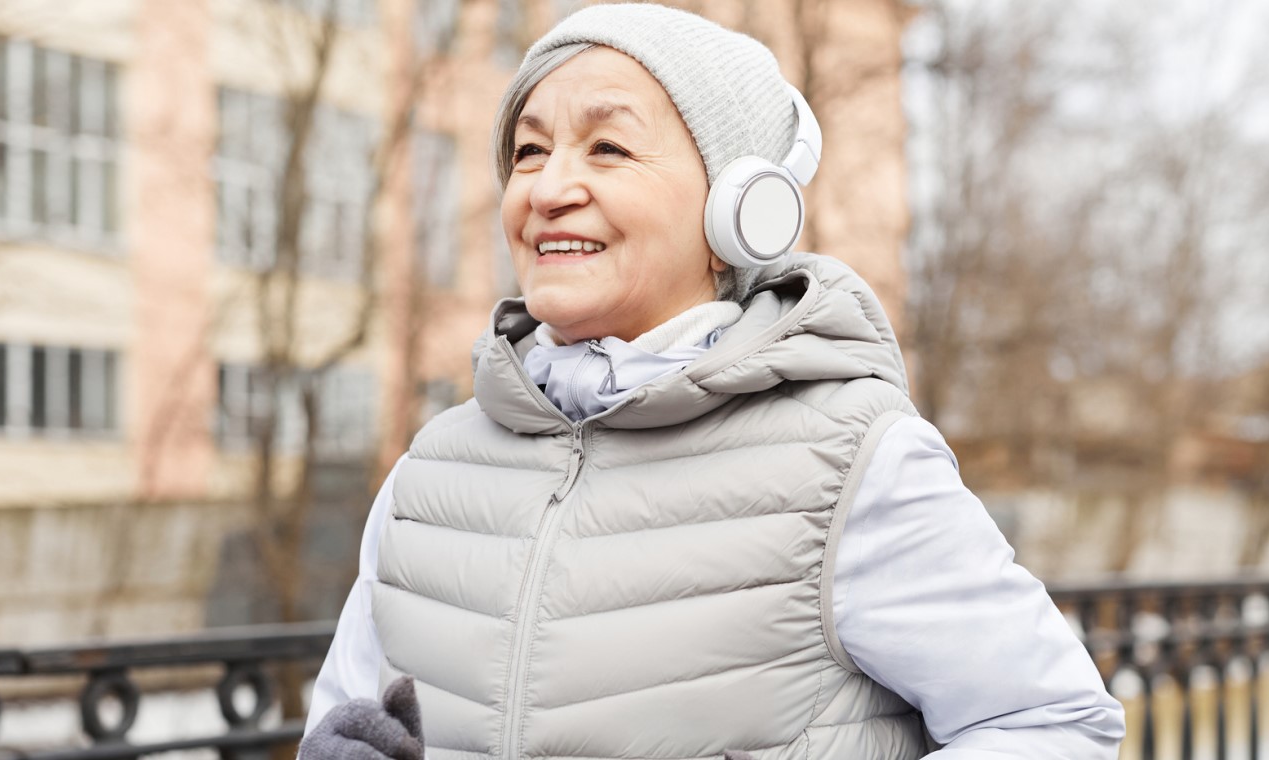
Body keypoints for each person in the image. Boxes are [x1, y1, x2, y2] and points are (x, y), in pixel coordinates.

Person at [299, 4, 1123, 759]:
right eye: (528, 151)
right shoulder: (428, 476)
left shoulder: (847, 463)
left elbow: (1052, 723)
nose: (548, 189)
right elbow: (341, 714)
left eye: (609, 147)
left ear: (740, 211)